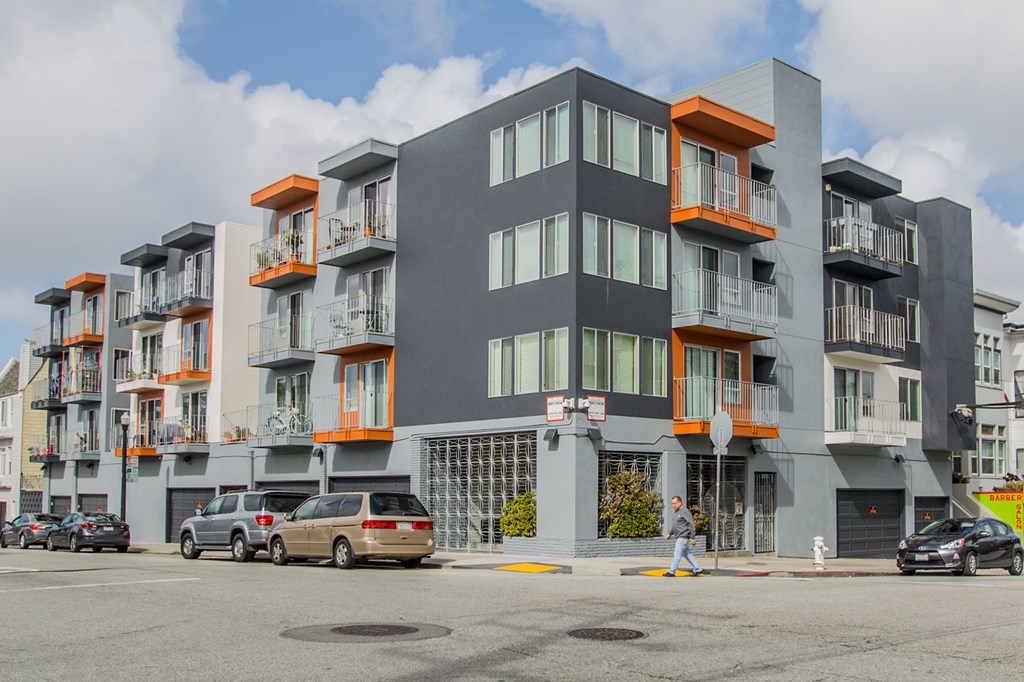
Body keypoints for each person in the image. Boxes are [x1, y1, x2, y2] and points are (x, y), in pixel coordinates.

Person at [663, 495, 704, 577]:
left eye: (674, 503)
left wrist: (692, 537)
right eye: (672, 504)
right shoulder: (676, 512)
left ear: (680, 503)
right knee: (687, 554)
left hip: (683, 537)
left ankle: (671, 571)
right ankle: (697, 568)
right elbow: (675, 525)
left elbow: (691, 524)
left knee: (677, 554)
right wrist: (669, 533)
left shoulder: (685, 512)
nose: (673, 505)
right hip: (679, 537)